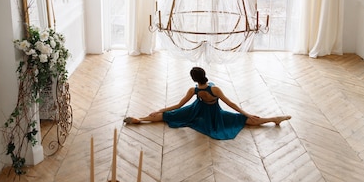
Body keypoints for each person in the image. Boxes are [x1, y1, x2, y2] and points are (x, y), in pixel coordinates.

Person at [123, 66, 291, 140]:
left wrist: (159, 109)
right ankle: (273, 118)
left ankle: (141, 119)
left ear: (194, 79)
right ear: (204, 75)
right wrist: (245, 113)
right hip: (212, 114)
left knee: (167, 115)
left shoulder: (193, 90)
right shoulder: (214, 89)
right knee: (242, 120)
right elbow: (231, 104)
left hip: (195, 111)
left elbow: (178, 106)